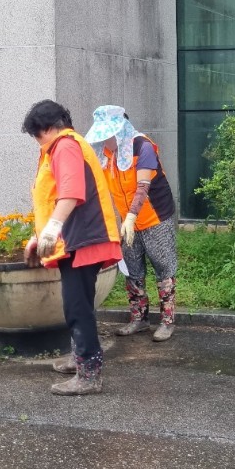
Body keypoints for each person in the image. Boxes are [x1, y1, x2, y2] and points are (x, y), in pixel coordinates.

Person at [21, 100, 124, 395]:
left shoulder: (65, 146)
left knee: (77, 307)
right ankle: (80, 357)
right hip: (79, 237)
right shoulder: (65, 145)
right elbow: (51, 199)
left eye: (37, 134)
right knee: (78, 304)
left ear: (48, 128)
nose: (37, 141)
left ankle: (88, 374)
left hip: (82, 238)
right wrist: (40, 235)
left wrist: (52, 229)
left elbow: (70, 192)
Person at [85, 105, 180, 342]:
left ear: (121, 130)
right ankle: (139, 319)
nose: (105, 141)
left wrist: (130, 216)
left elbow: (142, 186)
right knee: (132, 269)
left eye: (108, 135)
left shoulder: (143, 147)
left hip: (155, 217)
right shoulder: (106, 154)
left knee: (164, 268)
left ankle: (167, 322)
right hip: (128, 223)